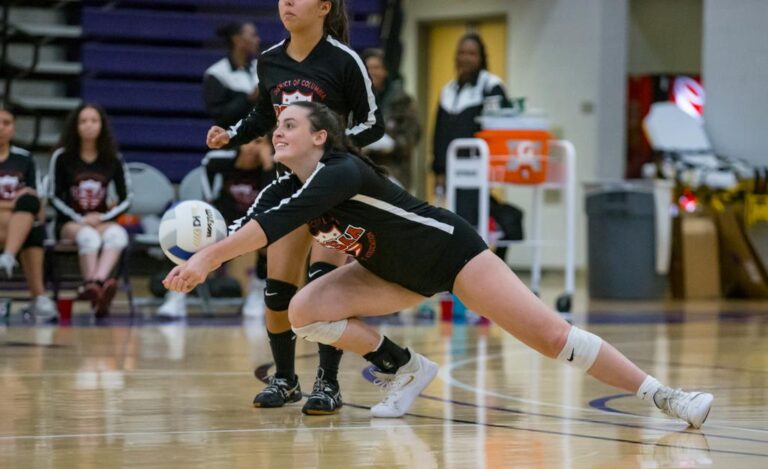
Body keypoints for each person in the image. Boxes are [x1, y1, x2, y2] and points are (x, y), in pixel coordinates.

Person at [165, 101, 714, 429]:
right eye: (276, 124)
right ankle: (406, 368)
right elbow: (255, 224)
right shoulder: (289, 185)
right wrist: (205, 249)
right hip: (389, 272)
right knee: (304, 310)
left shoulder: (338, 172)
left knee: (550, 337)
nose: (277, 131)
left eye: (288, 124)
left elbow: (272, 228)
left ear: (320, 135)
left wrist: (208, 261)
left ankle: (665, 396)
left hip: (449, 254)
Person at [206, 0, 384, 416]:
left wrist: (333, 149)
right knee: (277, 289)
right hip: (288, 184)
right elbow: (263, 115)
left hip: (333, 188)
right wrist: (229, 136)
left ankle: (328, 382)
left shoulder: (344, 60)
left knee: (325, 287)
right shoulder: (269, 61)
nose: (287, 2)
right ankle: (284, 379)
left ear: (324, 6)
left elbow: (372, 123)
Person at [158, 138, 275, 318]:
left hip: (255, 223)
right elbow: (209, 198)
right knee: (191, 236)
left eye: (260, 142)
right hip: (223, 220)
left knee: (270, 241)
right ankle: (176, 295)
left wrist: (269, 167)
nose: (253, 147)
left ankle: (257, 293)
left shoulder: (272, 170)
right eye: (249, 141)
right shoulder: (220, 161)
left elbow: (272, 203)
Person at [431, 32, 522, 261]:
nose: (466, 58)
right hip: (452, 170)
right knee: (452, 221)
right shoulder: (448, 90)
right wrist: (438, 171)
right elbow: (439, 133)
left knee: (472, 222)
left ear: (481, 57)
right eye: (461, 53)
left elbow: (502, 125)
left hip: (478, 168)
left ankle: (483, 265)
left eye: (472, 53)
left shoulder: (491, 86)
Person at [50, 103, 132, 318]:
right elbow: (53, 196)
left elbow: (127, 198)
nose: (88, 126)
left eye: (94, 121)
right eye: (83, 121)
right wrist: (80, 218)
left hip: (101, 219)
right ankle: (98, 289)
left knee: (117, 235)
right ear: (75, 126)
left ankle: (95, 285)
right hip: (70, 222)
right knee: (89, 237)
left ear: (102, 125)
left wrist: (102, 217)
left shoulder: (113, 158)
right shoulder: (62, 157)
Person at [0, 108, 58, 320]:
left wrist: (15, 204)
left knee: (33, 225)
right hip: (10, 223)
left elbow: (37, 207)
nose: (1, 128)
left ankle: (38, 299)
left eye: (6, 123)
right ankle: (38, 294)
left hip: (15, 225)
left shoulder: (24, 160)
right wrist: (13, 202)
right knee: (26, 220)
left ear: (14, 127)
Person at [361, 48, 420, 190]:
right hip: (363, 170)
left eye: (376, 67)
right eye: (368, 68)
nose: (372, 72)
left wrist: (390, 145)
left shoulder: (402, 100)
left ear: (385, 71)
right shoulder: (356, 99)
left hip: (395, 170)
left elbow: (412, 137)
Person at [204, 21, 261, 128]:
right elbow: (220, 116)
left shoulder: (261, 67)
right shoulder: (217, 74)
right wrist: (250, 98)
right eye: (253, 36)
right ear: (237, 40)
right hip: (231, 138)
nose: (258, 40)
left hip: (261, 138)